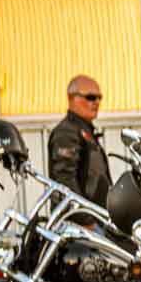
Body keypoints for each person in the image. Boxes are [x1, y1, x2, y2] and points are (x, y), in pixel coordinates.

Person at [48, 75, 112, 205]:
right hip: (79, 215)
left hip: (95, 213)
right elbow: (64, 180)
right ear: (72, 98)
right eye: (90, 97)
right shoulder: (67, 133)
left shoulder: (85, 131)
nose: (96, 102)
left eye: (99, 98)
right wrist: (83, 215)